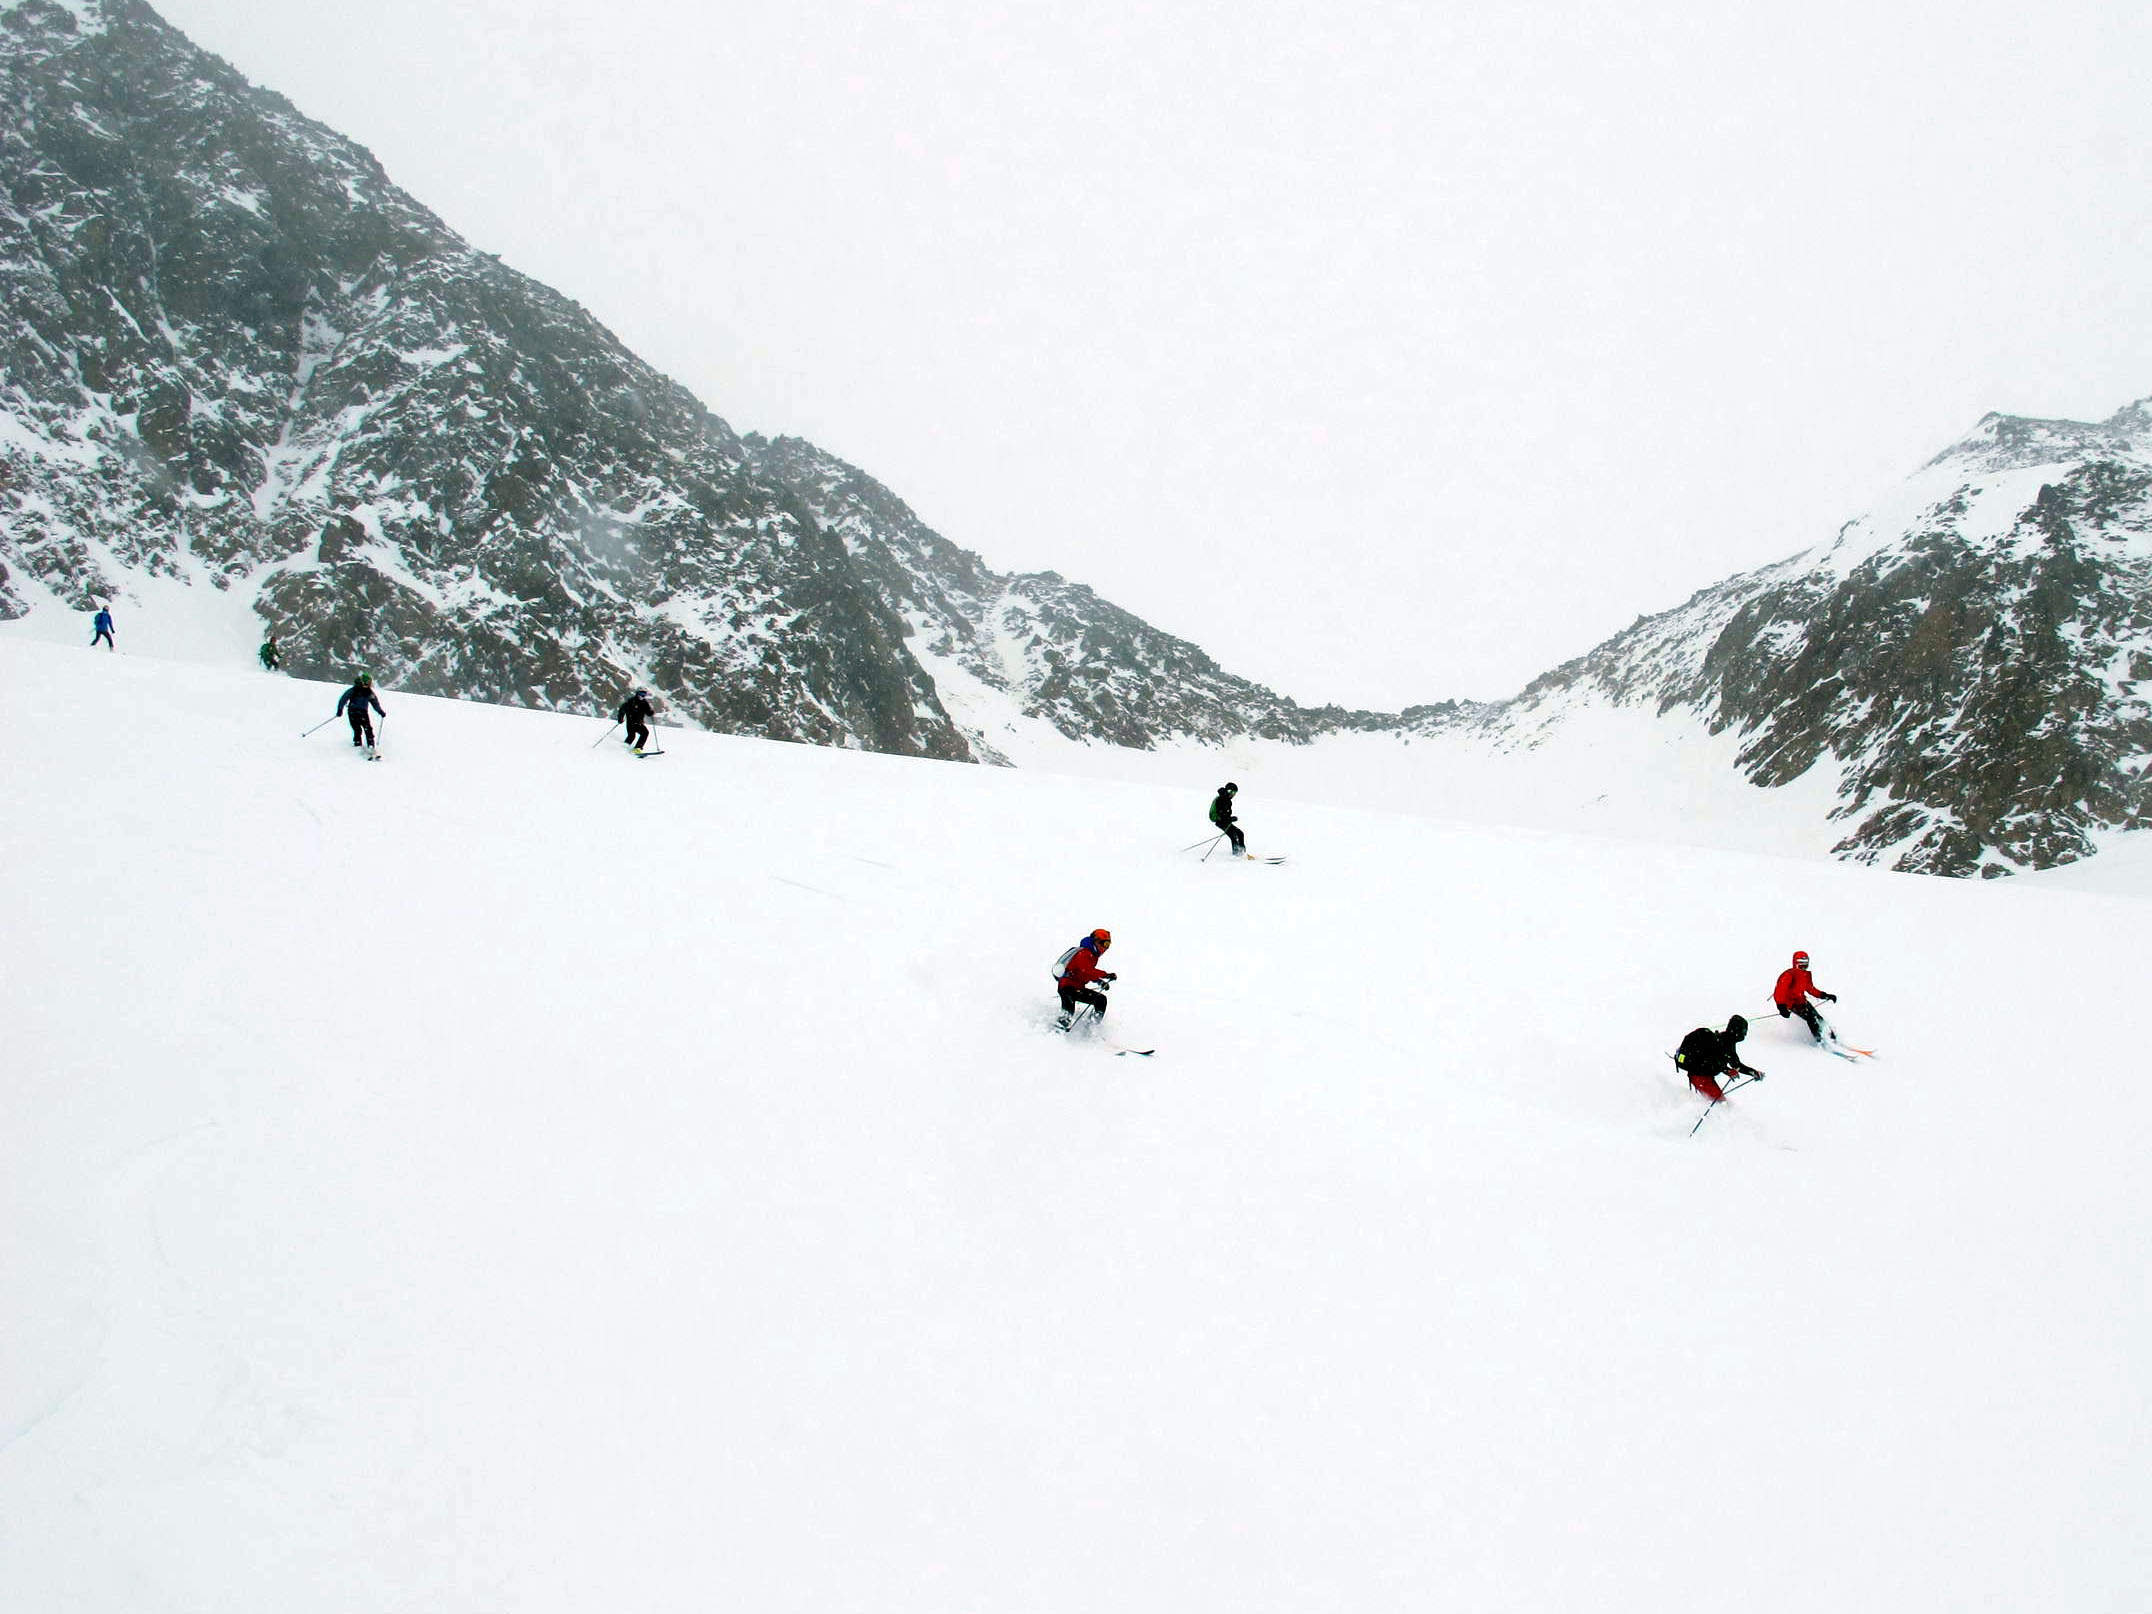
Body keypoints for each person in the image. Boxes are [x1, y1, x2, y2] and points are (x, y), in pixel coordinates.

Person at [1675, 1015, 1764, 1102]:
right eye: (1744, 1031)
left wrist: (1753, 1072)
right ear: (1736, 1030)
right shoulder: (1719, 1041)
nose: (1744, 1034)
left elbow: (1736, 1064)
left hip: (1706, 1076)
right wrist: (1727, 1070)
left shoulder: (1729, 1044)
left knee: (1720, 1103)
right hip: (1699, 1076)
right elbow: (1709, 1061)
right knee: (1720, 1104)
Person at [1054, 928, 1117, 1030]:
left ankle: (1091, 1030)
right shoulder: (1083, 953)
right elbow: (1086, 970)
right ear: (1096, 941)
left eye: (1108, 945)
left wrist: (1100, 982)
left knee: (1101, 1000)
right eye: (1104, 944)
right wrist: (1105, 975)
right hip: (1067, 988)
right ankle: (1056, 1034)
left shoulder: (1092, 956)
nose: (1105, 948)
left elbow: (1085, 973)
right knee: (1068, 1012)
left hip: (1077, 988)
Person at [1773, 950, 1837, 1043]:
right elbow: (1779, 992)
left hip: (1802, 1001)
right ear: (1795, 963)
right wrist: (1782, 1007)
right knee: (1811, 1018)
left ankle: (1832, 1037)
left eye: (1805, 964)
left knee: (1818, 1018)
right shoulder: (1789, 975)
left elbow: (1811, 989)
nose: (1804, 967)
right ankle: (1820, 1040)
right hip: (1791, 1003)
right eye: (1801, 964)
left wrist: (1825, 995)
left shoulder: (1805, 975)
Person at [335, 672, 384, 749]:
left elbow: (375, 703)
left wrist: (380, 711)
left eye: (369, 683)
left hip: (363, 713)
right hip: (353, 712)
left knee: (368, 728)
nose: (368, 685)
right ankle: (357, 744)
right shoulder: (354, 690)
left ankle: (371, 745)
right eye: (366, 683)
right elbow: (344, 699)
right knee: (357, 729)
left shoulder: (369, 692)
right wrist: (340, 709)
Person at [1209, 782, 1246, 858]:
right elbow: (1221, 814)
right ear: (1229, 791)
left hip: (1225, 821)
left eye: (1235, 793)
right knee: (1234, 836)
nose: (1233, 795)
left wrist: (1230, 818)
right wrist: (1230, 818)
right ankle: (1237, 854)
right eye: (1233, 792)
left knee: (1240, 833)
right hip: (1221, 822)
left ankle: (1242, 852)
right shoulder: (1222, 799)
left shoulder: (1226, 799)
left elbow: (1225, 813)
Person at [617, 687, 656, 753]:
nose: (642, 695)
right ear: (637, 693)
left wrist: (651, 712)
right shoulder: (632, 701)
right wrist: (620, 718)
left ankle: (627, 748)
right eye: (641, 693)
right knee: (633, 736)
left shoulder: (644, 703)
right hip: (631, 723)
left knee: (641, 734)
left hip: (639, 723)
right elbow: (622, 709)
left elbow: (648, 712)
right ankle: (633, 749)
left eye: (644, 694)